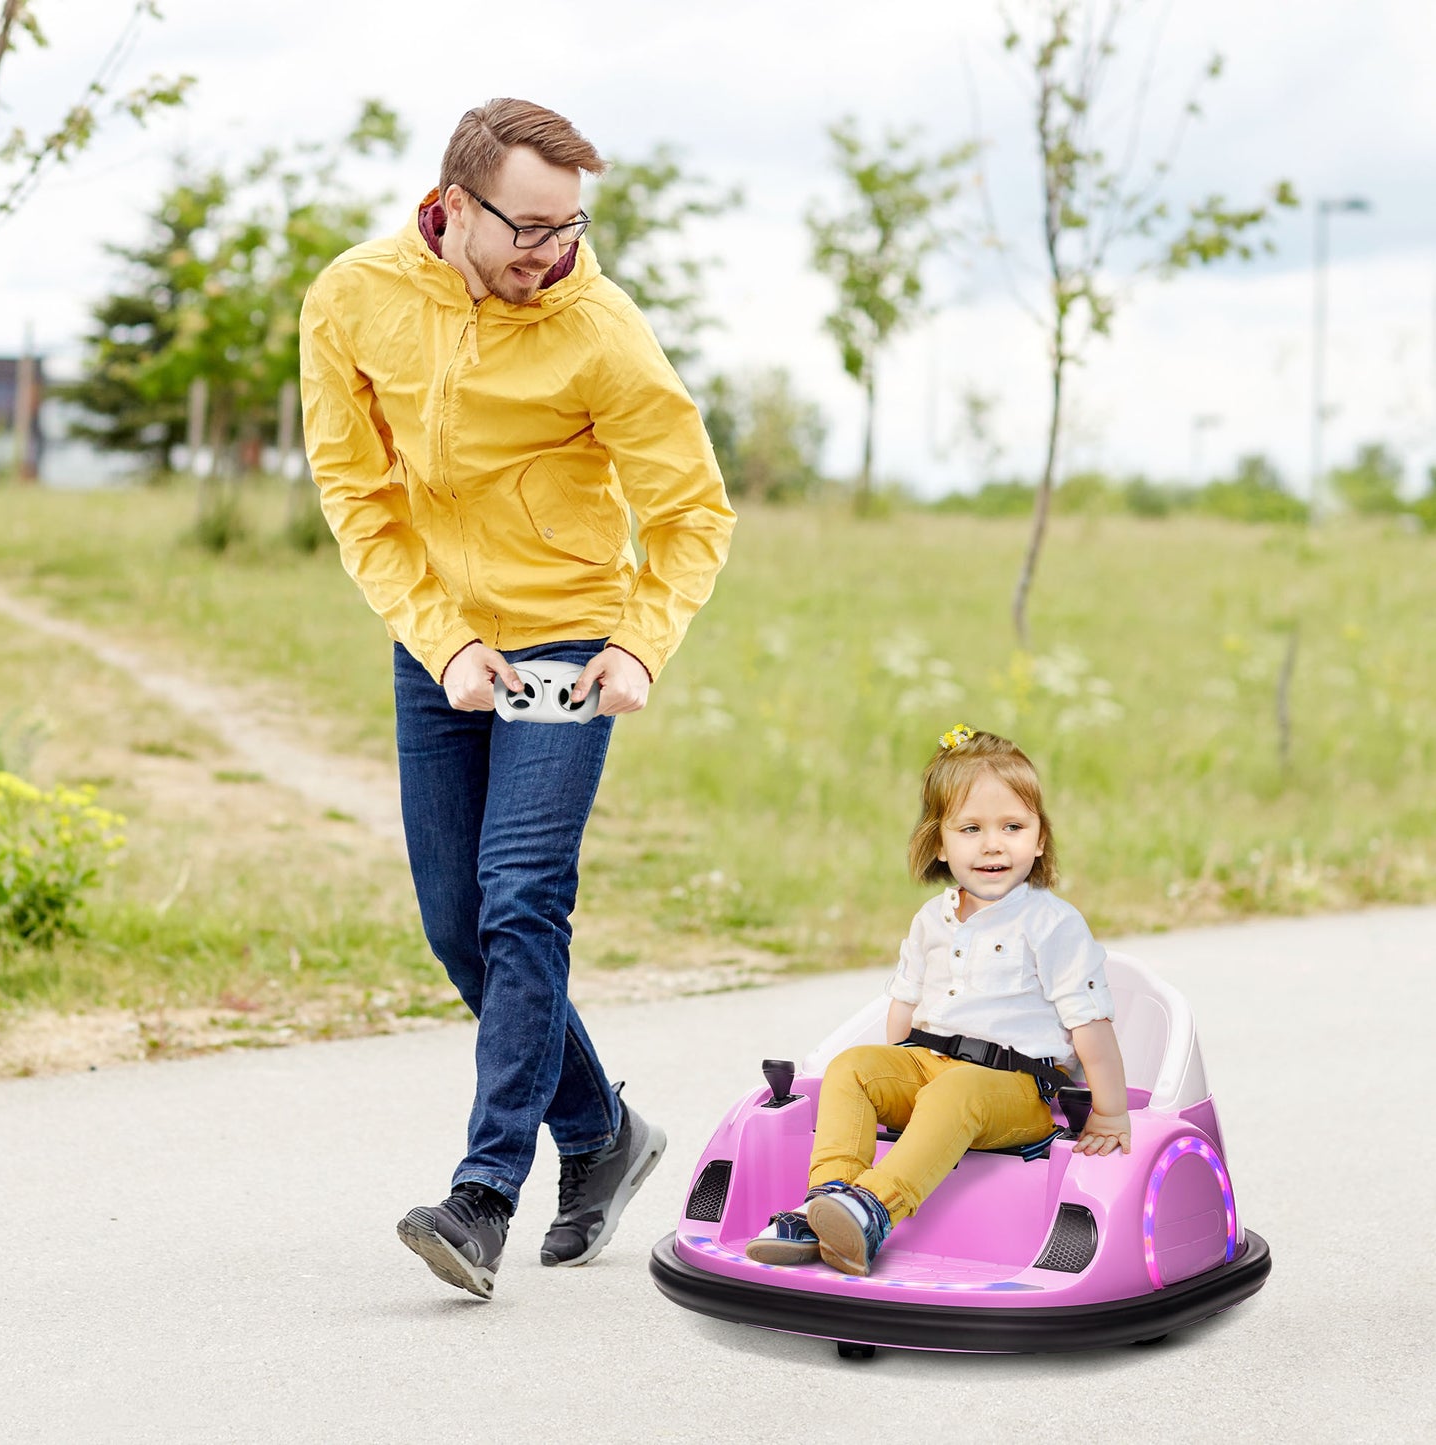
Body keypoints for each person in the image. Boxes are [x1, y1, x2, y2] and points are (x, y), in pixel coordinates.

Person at [299, 99, 735, 1299]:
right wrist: (440, 641)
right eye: (530, 226)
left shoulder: (600, 330)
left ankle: (482, 1196)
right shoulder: (352, 297)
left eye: (571, 224)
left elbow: (693, 511)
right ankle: (601, 1131)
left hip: (569, 640)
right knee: (455, 921)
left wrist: (640, 645)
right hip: (439, 640)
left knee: (520, 900)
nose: (555, 251)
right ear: (454, 204)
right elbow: (358, 494)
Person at [747, 725, 1131, 1277]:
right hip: (930, 1067)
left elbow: (1090, 1026)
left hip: (1014, 1090)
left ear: (1040, 838)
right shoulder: (932, 919)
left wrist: (1110, 1112)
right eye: (971, 828)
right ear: (939, 844)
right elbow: (904, 1011)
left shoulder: (1053, 923)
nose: (993, 844)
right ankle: (825, 1202)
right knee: (854, 1066)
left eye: (1013, 827)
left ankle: (874, 1206)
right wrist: (894, 1082)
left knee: (958, 1087)